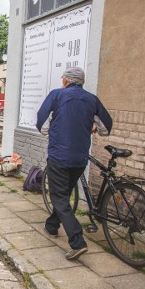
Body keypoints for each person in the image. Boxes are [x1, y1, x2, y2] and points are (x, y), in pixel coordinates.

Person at [36, 67, 112, 260]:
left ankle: (77, 242)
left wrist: (54, 129)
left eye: (62, 78)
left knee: (59, 198)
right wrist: (92, 128)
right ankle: (52, 225)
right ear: (82, 82)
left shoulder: (57, 95)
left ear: (66, 81)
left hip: (59, 157)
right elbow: (105, 127)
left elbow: (42, 124)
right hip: (79, 159)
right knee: (63, 195)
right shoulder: (91, 99)